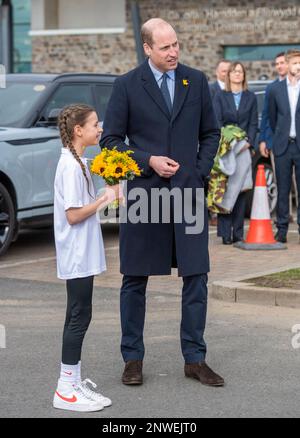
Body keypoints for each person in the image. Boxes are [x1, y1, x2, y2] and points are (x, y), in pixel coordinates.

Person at [101, 18, 224, 387]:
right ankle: (133, 358)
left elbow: (210, 131)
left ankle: (195, 358)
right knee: (134, 278)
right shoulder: (126, 86)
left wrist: (198, 172)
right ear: (148, 48)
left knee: (196, 277)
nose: (174, 52)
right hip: (144, 194)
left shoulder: (196, 81)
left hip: (188, 193)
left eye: (177, 45)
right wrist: (147, 160)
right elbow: (110, 141)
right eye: (166, 46)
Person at [53, 104, 121, 412]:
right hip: (76, 253)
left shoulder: (79, 161)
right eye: (95, 124)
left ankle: (73, 381)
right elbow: (73, 215)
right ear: (78, 130)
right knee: (79, 317)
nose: (100, 129)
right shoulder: (69, 166)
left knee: (79, 314)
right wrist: (104, 200)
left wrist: (106, 195)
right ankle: (66, 389)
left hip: (81, 252)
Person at [213, 62, 258, 244]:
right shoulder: (220, 96)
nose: (237, 74)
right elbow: (217, 122)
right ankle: (225, 233)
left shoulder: (251, 97)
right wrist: (227, 142)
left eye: (240, 71)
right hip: (226, 149)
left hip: (244, 150)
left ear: (244, 75)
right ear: (228, 75)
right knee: (226, 190)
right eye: (234, 71)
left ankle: (238, 233)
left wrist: (249, 142)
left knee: (241, 190)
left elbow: (254, 123)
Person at [269, 49, 300, 243]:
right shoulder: (275, 90)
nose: (298, 66)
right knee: (283, 189)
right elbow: (272, 118)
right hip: (282, 145)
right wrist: (276, 138)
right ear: (287, 65)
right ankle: (281, 229)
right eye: (295, 63)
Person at [259, 52, 288, 158]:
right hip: (275, 142)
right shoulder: (271, 88)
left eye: (282, 63)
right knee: (278, 174)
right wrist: (262, 140)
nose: (279, 66)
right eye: (277, 64)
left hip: (295, 143)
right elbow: (265, 115)